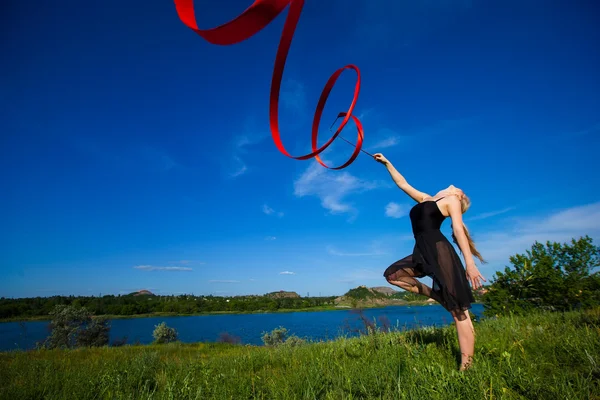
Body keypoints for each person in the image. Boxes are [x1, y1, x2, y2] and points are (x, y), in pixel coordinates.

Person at [373, 152, 486, 371]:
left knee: (460, 312)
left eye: (461, 191)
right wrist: (387, 163)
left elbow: (457, 230)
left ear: (459, 197)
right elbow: (403, 184)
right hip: (421, 251)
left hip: (439, 251)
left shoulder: (451, 200)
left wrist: (470, 264)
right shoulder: (425, 198)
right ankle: (439, 297)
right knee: (393, 275)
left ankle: (467, 367)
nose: (457, 187)